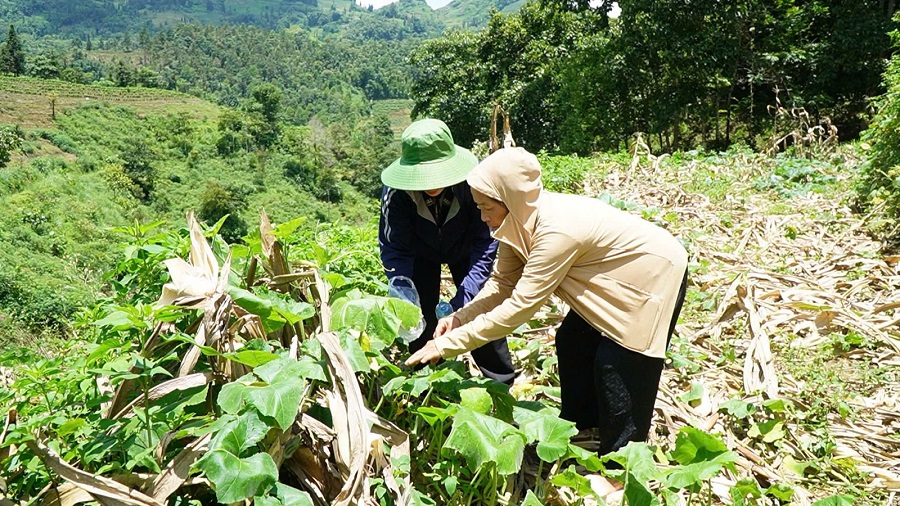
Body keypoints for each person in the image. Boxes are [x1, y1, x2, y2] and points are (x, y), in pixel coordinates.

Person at [406, 147, 688, 495]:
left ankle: (619, 470)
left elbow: (521, 306)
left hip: (651, 276)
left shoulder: (555, 231)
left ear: (508, 199)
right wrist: (460, 318)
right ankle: (585, 430)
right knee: (572, 341)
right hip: (603, 282)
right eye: (478, 206)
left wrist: (447, 345)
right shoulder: (518, 221)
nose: (482, 216)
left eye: (486, 207)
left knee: (620, 364)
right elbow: (502, 285)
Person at [380, 118, 516, 385]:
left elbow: (486, 241)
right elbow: (395, 246)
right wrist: (403, 289)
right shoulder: (396, 194)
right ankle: (426, 380)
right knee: (420, 315)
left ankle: (501, 383)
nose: (431, 182)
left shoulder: (475, 183)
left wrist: (465, 298)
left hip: (466, 247)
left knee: (479, 309)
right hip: (420, 252)